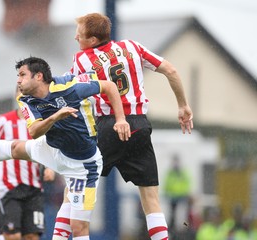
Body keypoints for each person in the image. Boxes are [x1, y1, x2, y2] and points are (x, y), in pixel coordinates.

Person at [0, 56, 131, 240]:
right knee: (17, 147)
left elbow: (109, 86)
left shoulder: (68, 86)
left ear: (39, 76)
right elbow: (34, 132)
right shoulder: (26, 100)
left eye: (23, 75)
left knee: (78, 227)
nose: (18, 80)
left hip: (83, 166)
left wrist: (121, 119)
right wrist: (55, 117)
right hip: (52, 149)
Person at [52, 13, 194, 240]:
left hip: (108, 127)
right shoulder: (132, 47)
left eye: (80, 33)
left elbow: (64, 87)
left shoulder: (82, 59)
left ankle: (59, 237)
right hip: (139, 126)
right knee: (150, 199)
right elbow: (171, 70)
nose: (75, 37)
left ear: (93, 39)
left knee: (74, 183)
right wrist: (183, 105)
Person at [0, 86, 56, 240]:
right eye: (22, 93)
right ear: (16, 96)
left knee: (32, 237)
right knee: (13, 236)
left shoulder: (40, 124)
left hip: (33, 188)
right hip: (8, 187)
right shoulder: (4, 121)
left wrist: (50, 168)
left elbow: (48, 148)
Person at [163, 155, 192, 230]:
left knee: (181, 216)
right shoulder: (170, 173)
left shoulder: (182, 172)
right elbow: (167, 184)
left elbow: (187, 183)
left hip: (181, 198)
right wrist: (167, 193)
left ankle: (183, 229)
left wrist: (185, 193)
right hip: (172, 198)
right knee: (172, 215)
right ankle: (173, 229)